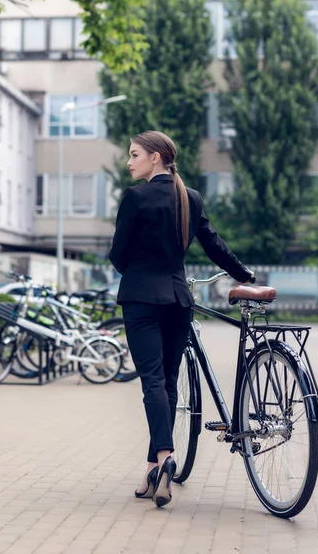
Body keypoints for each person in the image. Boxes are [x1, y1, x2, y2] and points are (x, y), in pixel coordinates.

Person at [108, 130, 253, 507]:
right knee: (169, 383)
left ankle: (164, 458)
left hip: (141, 299)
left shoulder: (135, 198)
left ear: (156, 157)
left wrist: (136, 273)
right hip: (177, 298)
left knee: (152, 382)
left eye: (135, 154)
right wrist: (243, 274)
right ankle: (154, 470)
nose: (130, 161)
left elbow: (117, 253)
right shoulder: (189, 197)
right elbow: (213, 243)